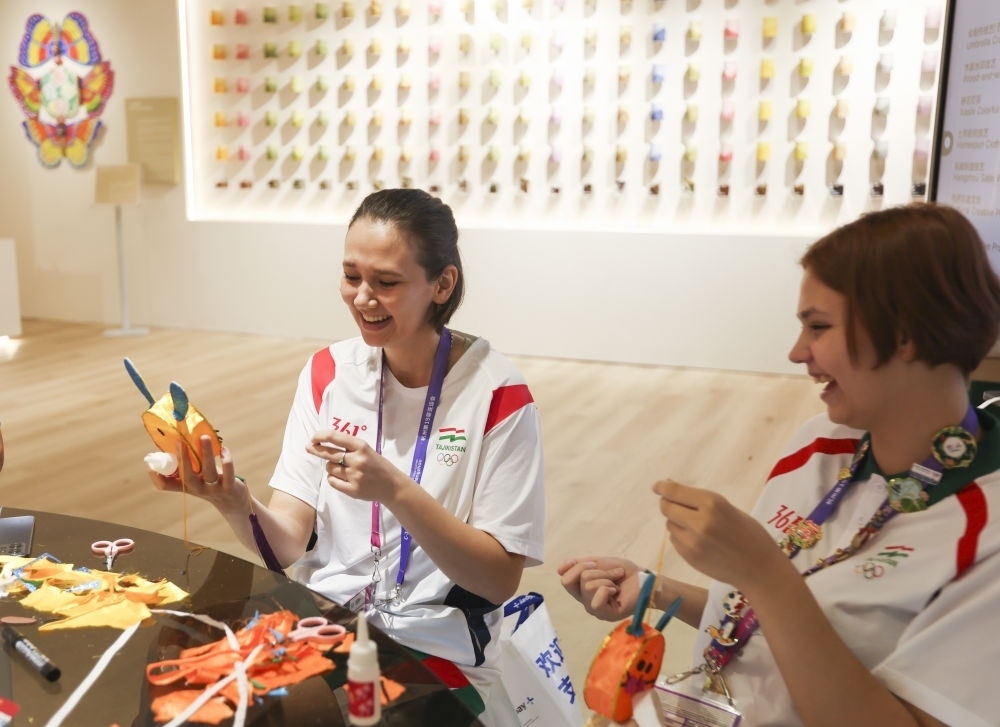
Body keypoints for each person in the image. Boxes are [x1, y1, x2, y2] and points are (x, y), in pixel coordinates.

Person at [560, 202, 1000, 727]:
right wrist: (655, 590)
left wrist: (763, 572)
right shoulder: (819, 444)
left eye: (818, 327)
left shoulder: (987, 534)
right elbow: (776, 621)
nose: (796, 352)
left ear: (906, 335)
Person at [147, 188, 545, 727]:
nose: (362, 298)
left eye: (387, 282)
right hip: (322, 628)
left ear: (442, 284)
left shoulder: (498, 395)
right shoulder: (328, 372)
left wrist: (396, 491)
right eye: (351, 276)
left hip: (436, 654)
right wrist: (233, 501)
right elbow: (287, 542)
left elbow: (497, 581)